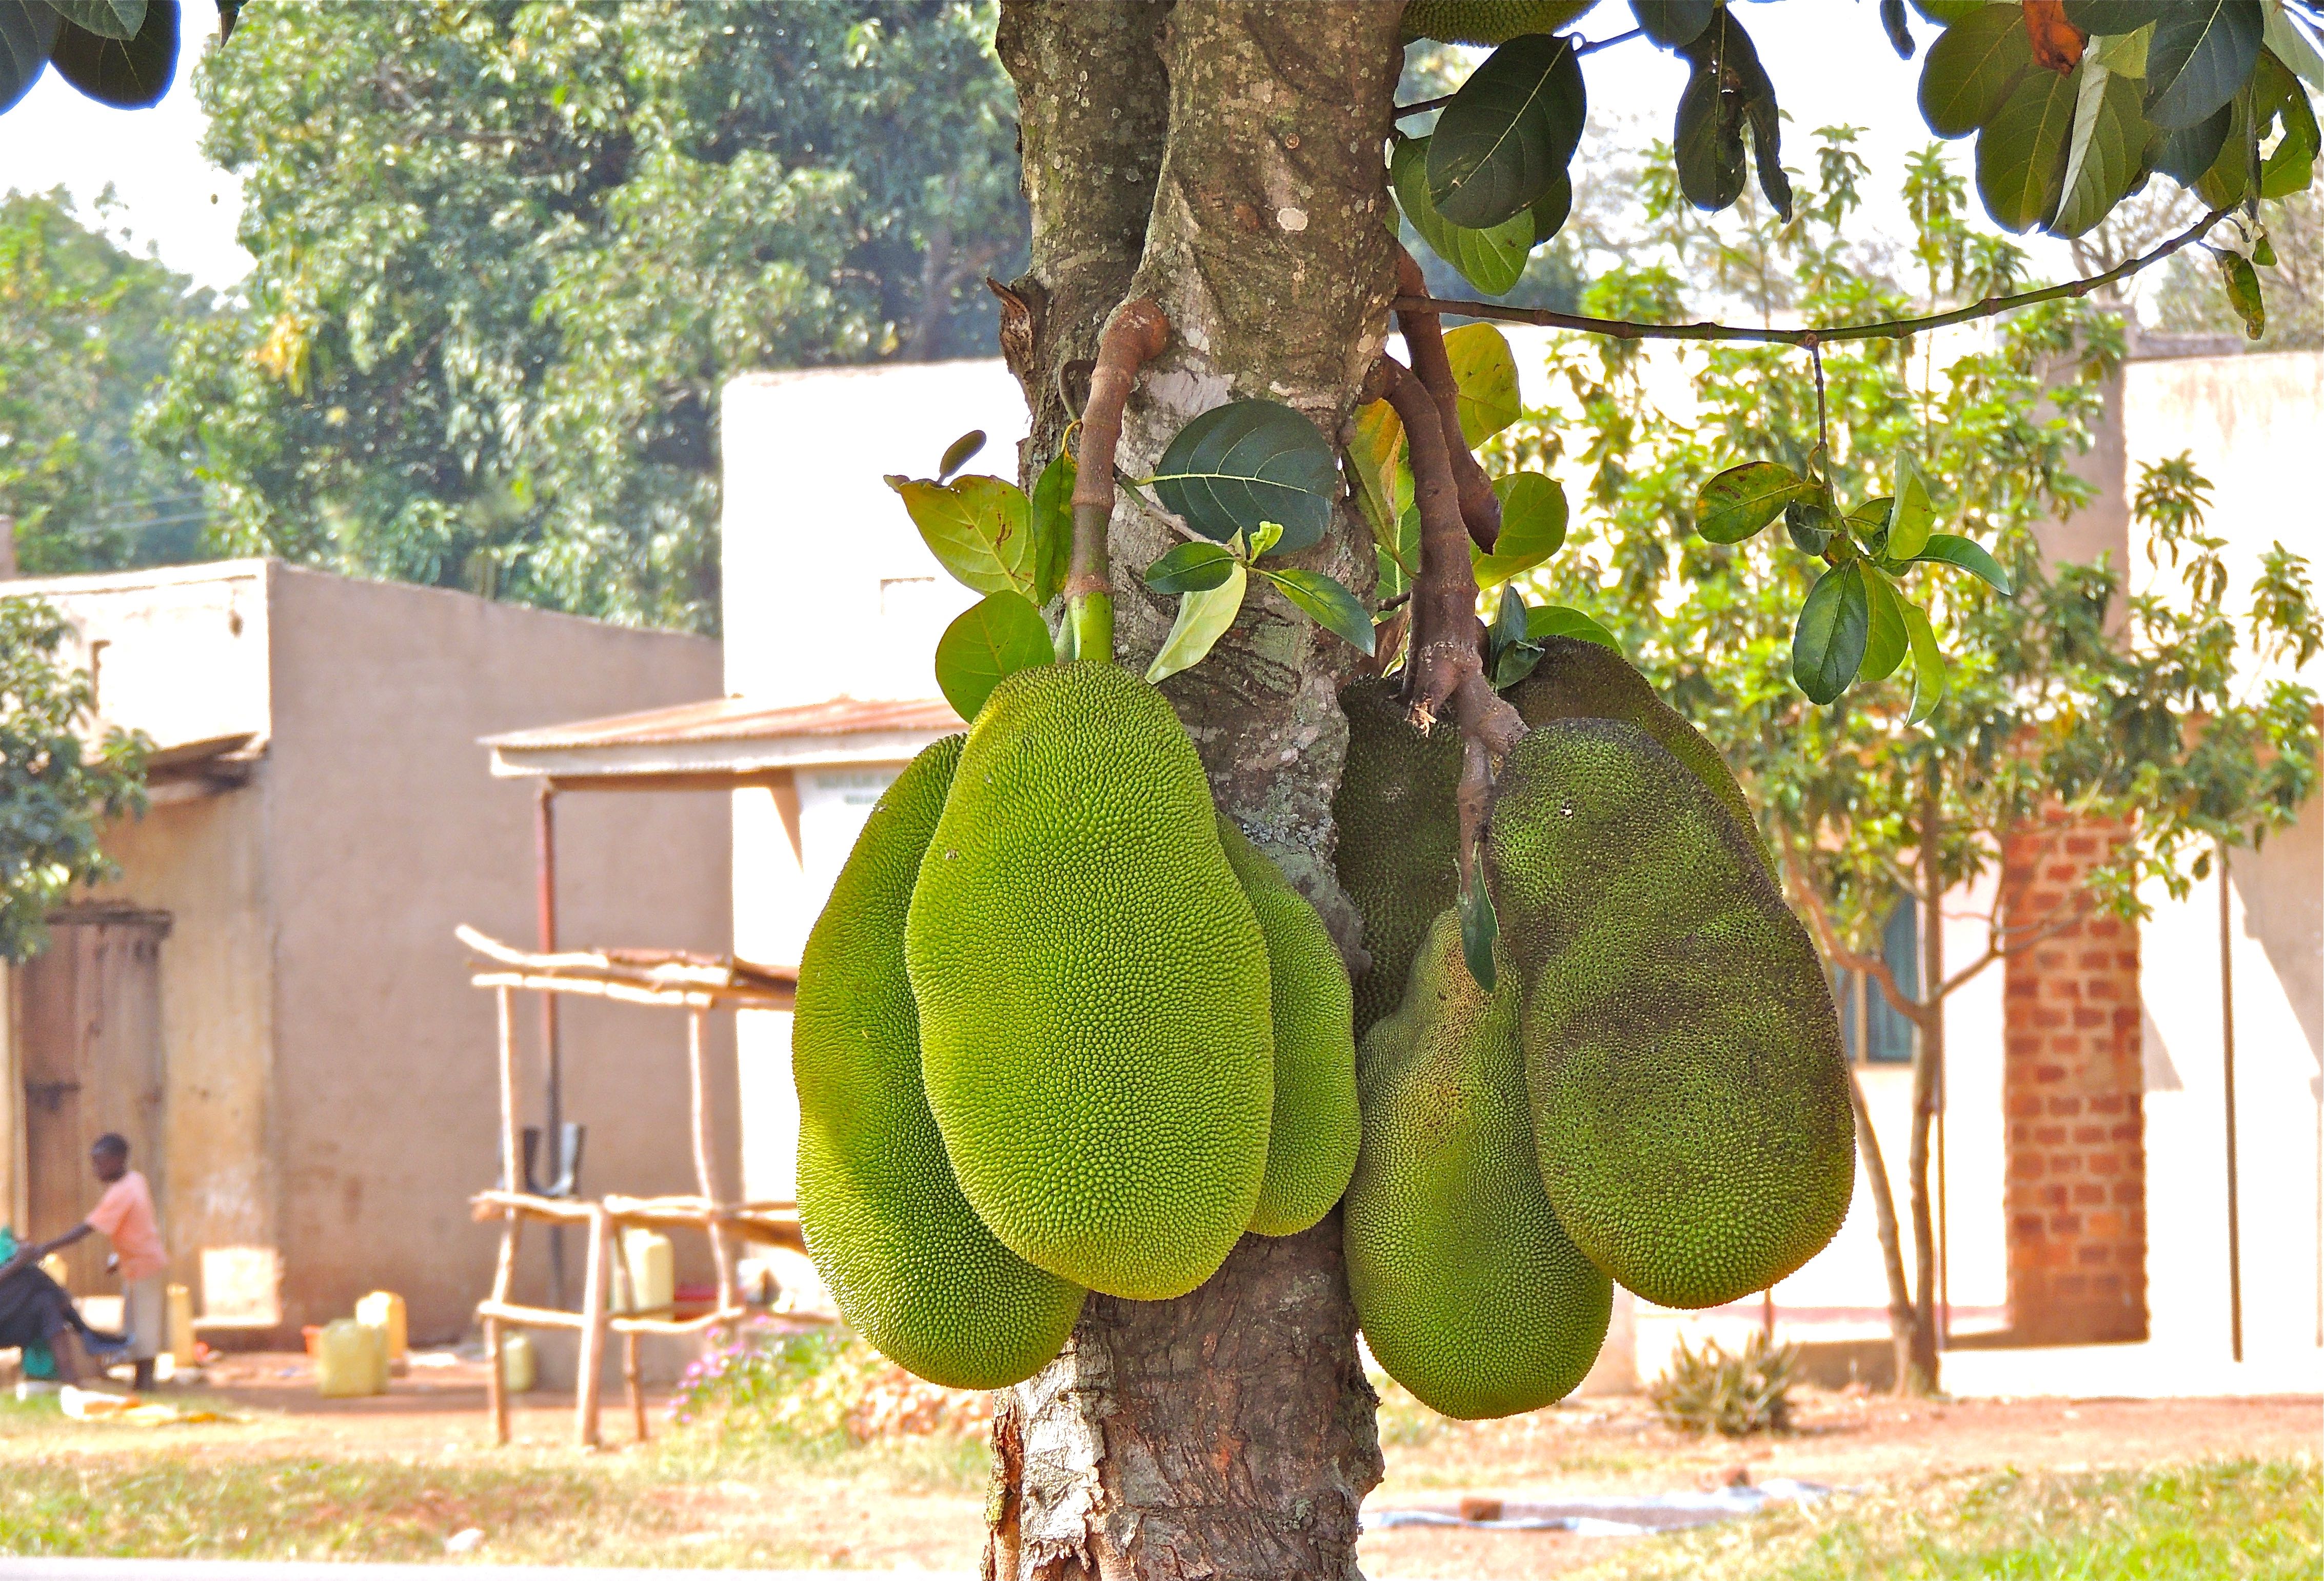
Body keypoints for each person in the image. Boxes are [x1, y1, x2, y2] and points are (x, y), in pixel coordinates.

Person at [13, 1135, 165, 1390]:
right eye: (94, 1164)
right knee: (134, 1319)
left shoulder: (122, 1192)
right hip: (138, 1262)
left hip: (145, 1265)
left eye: (101, 1164)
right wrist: (118, 1257)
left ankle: (147, 1381)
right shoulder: (136, 1180)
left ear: (118, 1160)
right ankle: (142, 1379)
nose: (96, 1171)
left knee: (143, 1322)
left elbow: (86, 1229)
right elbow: (138, 1226)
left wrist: (43, 1249)